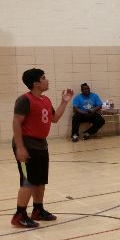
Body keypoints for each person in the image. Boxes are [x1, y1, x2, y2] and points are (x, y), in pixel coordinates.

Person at [11, 69, 74, 228]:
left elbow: (54, 118)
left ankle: (38, 210)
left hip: (41, 144)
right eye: (44, 78)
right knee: (28, 181)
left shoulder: (45, 100)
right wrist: (20, 147)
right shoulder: (24, 100)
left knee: (40, 180)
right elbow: (16, 122)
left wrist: (64, 102)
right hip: (27, 144)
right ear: (36, 83)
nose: (47, 80)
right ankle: (19, 215)